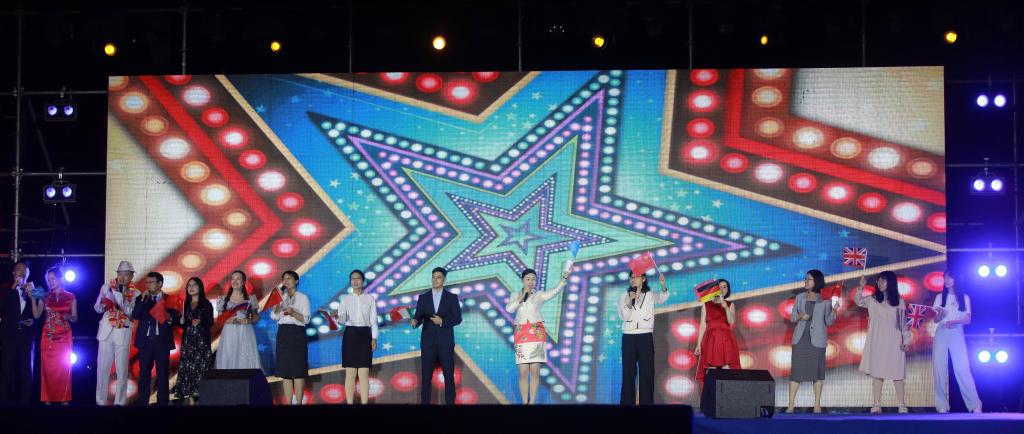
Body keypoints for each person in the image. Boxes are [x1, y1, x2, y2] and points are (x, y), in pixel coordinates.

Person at [505, 268, 570, 404]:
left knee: (534, 370)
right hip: (521, 333)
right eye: (528, 279)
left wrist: (563, 278)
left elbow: (555, 291)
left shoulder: (539, 295)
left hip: (536, 333)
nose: (531, 282)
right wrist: (521, 297)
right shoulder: (515, 294)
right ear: (522, 280)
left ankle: (532, 402)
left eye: (533, 279)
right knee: (523, 371)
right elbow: (509, 309)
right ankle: (525, 402)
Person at [854, 271, 910, 414]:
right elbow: (858, 301)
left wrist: (906, 340)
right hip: (877, 339)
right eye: (878, 280)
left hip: (894, 340)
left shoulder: (899, 302)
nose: (880, 283)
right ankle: (877, 404)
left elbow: (903, 324)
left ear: (890, 282)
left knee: (897, 373)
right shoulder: (872, 300)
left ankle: (901, 404)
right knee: (877, 373)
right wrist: (861, 287)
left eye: (883, 280)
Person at [785, 269, 837, 413]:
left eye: (808, 279)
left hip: (817, 340)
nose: (805, 281)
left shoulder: (825, 301)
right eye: (805, 279)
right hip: (801, 339)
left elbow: (829, 322)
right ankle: (790, 405)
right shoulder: (800, 298)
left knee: (817, 373)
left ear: (816, 282)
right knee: (796, 372)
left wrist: (834, 310)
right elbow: (792, 317)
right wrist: (800, 316)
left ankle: (817, 404)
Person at [932, 271, 983, 413]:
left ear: (956, 278)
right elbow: (935, 320)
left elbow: (968, 319)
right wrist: (941, 315)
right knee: (939, 368)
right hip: (941, 331)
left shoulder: (964, 297)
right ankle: (941, 405)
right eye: (945, 278)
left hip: (956, 332)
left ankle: (975, 404)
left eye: (949, 277)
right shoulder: (939, 297)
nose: (946, 280)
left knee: (962, 368)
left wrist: (954, 321)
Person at [411, 267, 462, 404]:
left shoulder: (452, 297)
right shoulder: (423, 297)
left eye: (438, 277)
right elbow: (418, 317)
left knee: (448, 376)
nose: (435, 280)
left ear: (444, 280)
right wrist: (415, 322)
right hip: (428, 342)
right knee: (426, 376)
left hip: (445, 342)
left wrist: (442, 322)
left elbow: (458, 318)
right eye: (433, 277)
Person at [619, 271, 670, 405]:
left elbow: (663, 298)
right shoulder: (624, 295)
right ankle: (626, 404)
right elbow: (624, 316)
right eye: (631, 278)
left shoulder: (650, 294)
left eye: (636, 277)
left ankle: (646, 406)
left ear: (643, 279)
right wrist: (630, 300)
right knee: (628, 372)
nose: (633, 280)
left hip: (645, 336)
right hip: (629, 337)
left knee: (647, 372)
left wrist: (663, 285)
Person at [94, 260, 139, 406]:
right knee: (102, 368)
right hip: (106, 331)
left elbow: (132, 313)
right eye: (120, 274)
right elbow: (97, 308)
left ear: (131, 276)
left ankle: (120, 402)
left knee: (121, 371)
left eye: (126, 275)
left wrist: (120, 298)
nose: (122, 277)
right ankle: (100, 401)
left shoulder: (136, 293)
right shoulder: (106, 287)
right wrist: (104, 303)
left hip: (122, 332)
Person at [131, 271, 180, 405]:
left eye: (151, 282)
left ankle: (162, 403)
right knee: (144, 374)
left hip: (162, 341)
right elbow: (135, 314)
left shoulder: (170, 299)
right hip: (145, 342)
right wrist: (142, 300)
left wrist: (167, 316)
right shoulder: (142, 298)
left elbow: (176, 319)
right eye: (146, 282)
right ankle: (143, 402)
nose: (148, 285)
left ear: (160, 284)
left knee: (162, 374)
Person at [30, 266, 77, 404]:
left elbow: (75, 317)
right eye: (48, 279)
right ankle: (47, 399)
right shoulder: (44, 295)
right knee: (48, 368)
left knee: (64, 368)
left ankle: (64, 399)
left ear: (60, 279)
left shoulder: (70, 296)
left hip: (64, 336)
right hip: (48, 336)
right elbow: (36, 315)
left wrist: (69, 316)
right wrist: (33, 299)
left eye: (53, 279)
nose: (50, 282)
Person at [336, 269, 378, 404]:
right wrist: (338, 317)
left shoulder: (370, 298)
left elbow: (373, 320)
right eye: (352, 279)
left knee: (364, 374)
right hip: (350, 335)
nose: (355, 281)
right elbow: (342, 320)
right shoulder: (345, 299)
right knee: (350, 373)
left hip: (365, 335)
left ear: (363, 281)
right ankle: (350, 402)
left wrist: (374, 338)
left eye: (358, 278)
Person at [271, 270, 310, 405]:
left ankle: (299, 402)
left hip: (297, 333)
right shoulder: (280, 297)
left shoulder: (303, 298)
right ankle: (288, 403)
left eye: (289, 278)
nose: (286, 281)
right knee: (285, 372)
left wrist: (293, 313)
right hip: (283, 333)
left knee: (298, 371)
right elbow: (274, 316)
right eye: (284, 279)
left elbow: (306, 319)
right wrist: (277, 302)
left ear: (296, 281)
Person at [0, 260, 36, 403]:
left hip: (26, 336)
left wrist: (34, 321)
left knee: (26, 370)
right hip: (9, 335)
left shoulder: (35, 288)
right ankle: (4, 404)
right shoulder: (5, 288)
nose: (21, 271)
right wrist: (13, 287)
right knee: (6, 370)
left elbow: (43, 313)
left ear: (28, 273)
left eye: (24, 269)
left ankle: (25, 405)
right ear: (13, 273)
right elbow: (1, 306)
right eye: (18, 269)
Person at [694, 279, 740, 390]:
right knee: (711, 370)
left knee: (727, 369)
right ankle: (711, 397)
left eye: (725, 287)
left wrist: (726, 308)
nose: (722, 289)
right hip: (711, 340)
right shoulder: (706, 305)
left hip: (726, 340)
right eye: (720, 287)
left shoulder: (730, 304)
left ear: (728, 289)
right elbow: (702, 326)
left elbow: (731, 321)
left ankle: (727, 396)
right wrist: (698, 345)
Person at [174, 277, 214, 404]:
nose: (191, 288)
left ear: (200, 287)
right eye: (189, 285)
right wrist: (180, 322)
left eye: (194, 285)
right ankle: (190, 399)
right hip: (188, 342)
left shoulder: (206, 304)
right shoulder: (184, 304)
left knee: (201, 369)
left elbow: (210, 322)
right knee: (188, 369)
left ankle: (203, 398)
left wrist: (201, 321)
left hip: (202, 342)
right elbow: (182, 324)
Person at [214, 270, 263, 371]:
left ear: (244, 282)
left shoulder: (250, 298)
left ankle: (247, 379)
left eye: (238, 279)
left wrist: (249, 320)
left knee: (245, 357)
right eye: (233, 279)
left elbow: (256, 317)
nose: (235, 281)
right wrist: (230, 320)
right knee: (229, 356)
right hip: (229, 332)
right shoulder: (223, 299)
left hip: (245, 331)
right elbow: (219, 319)